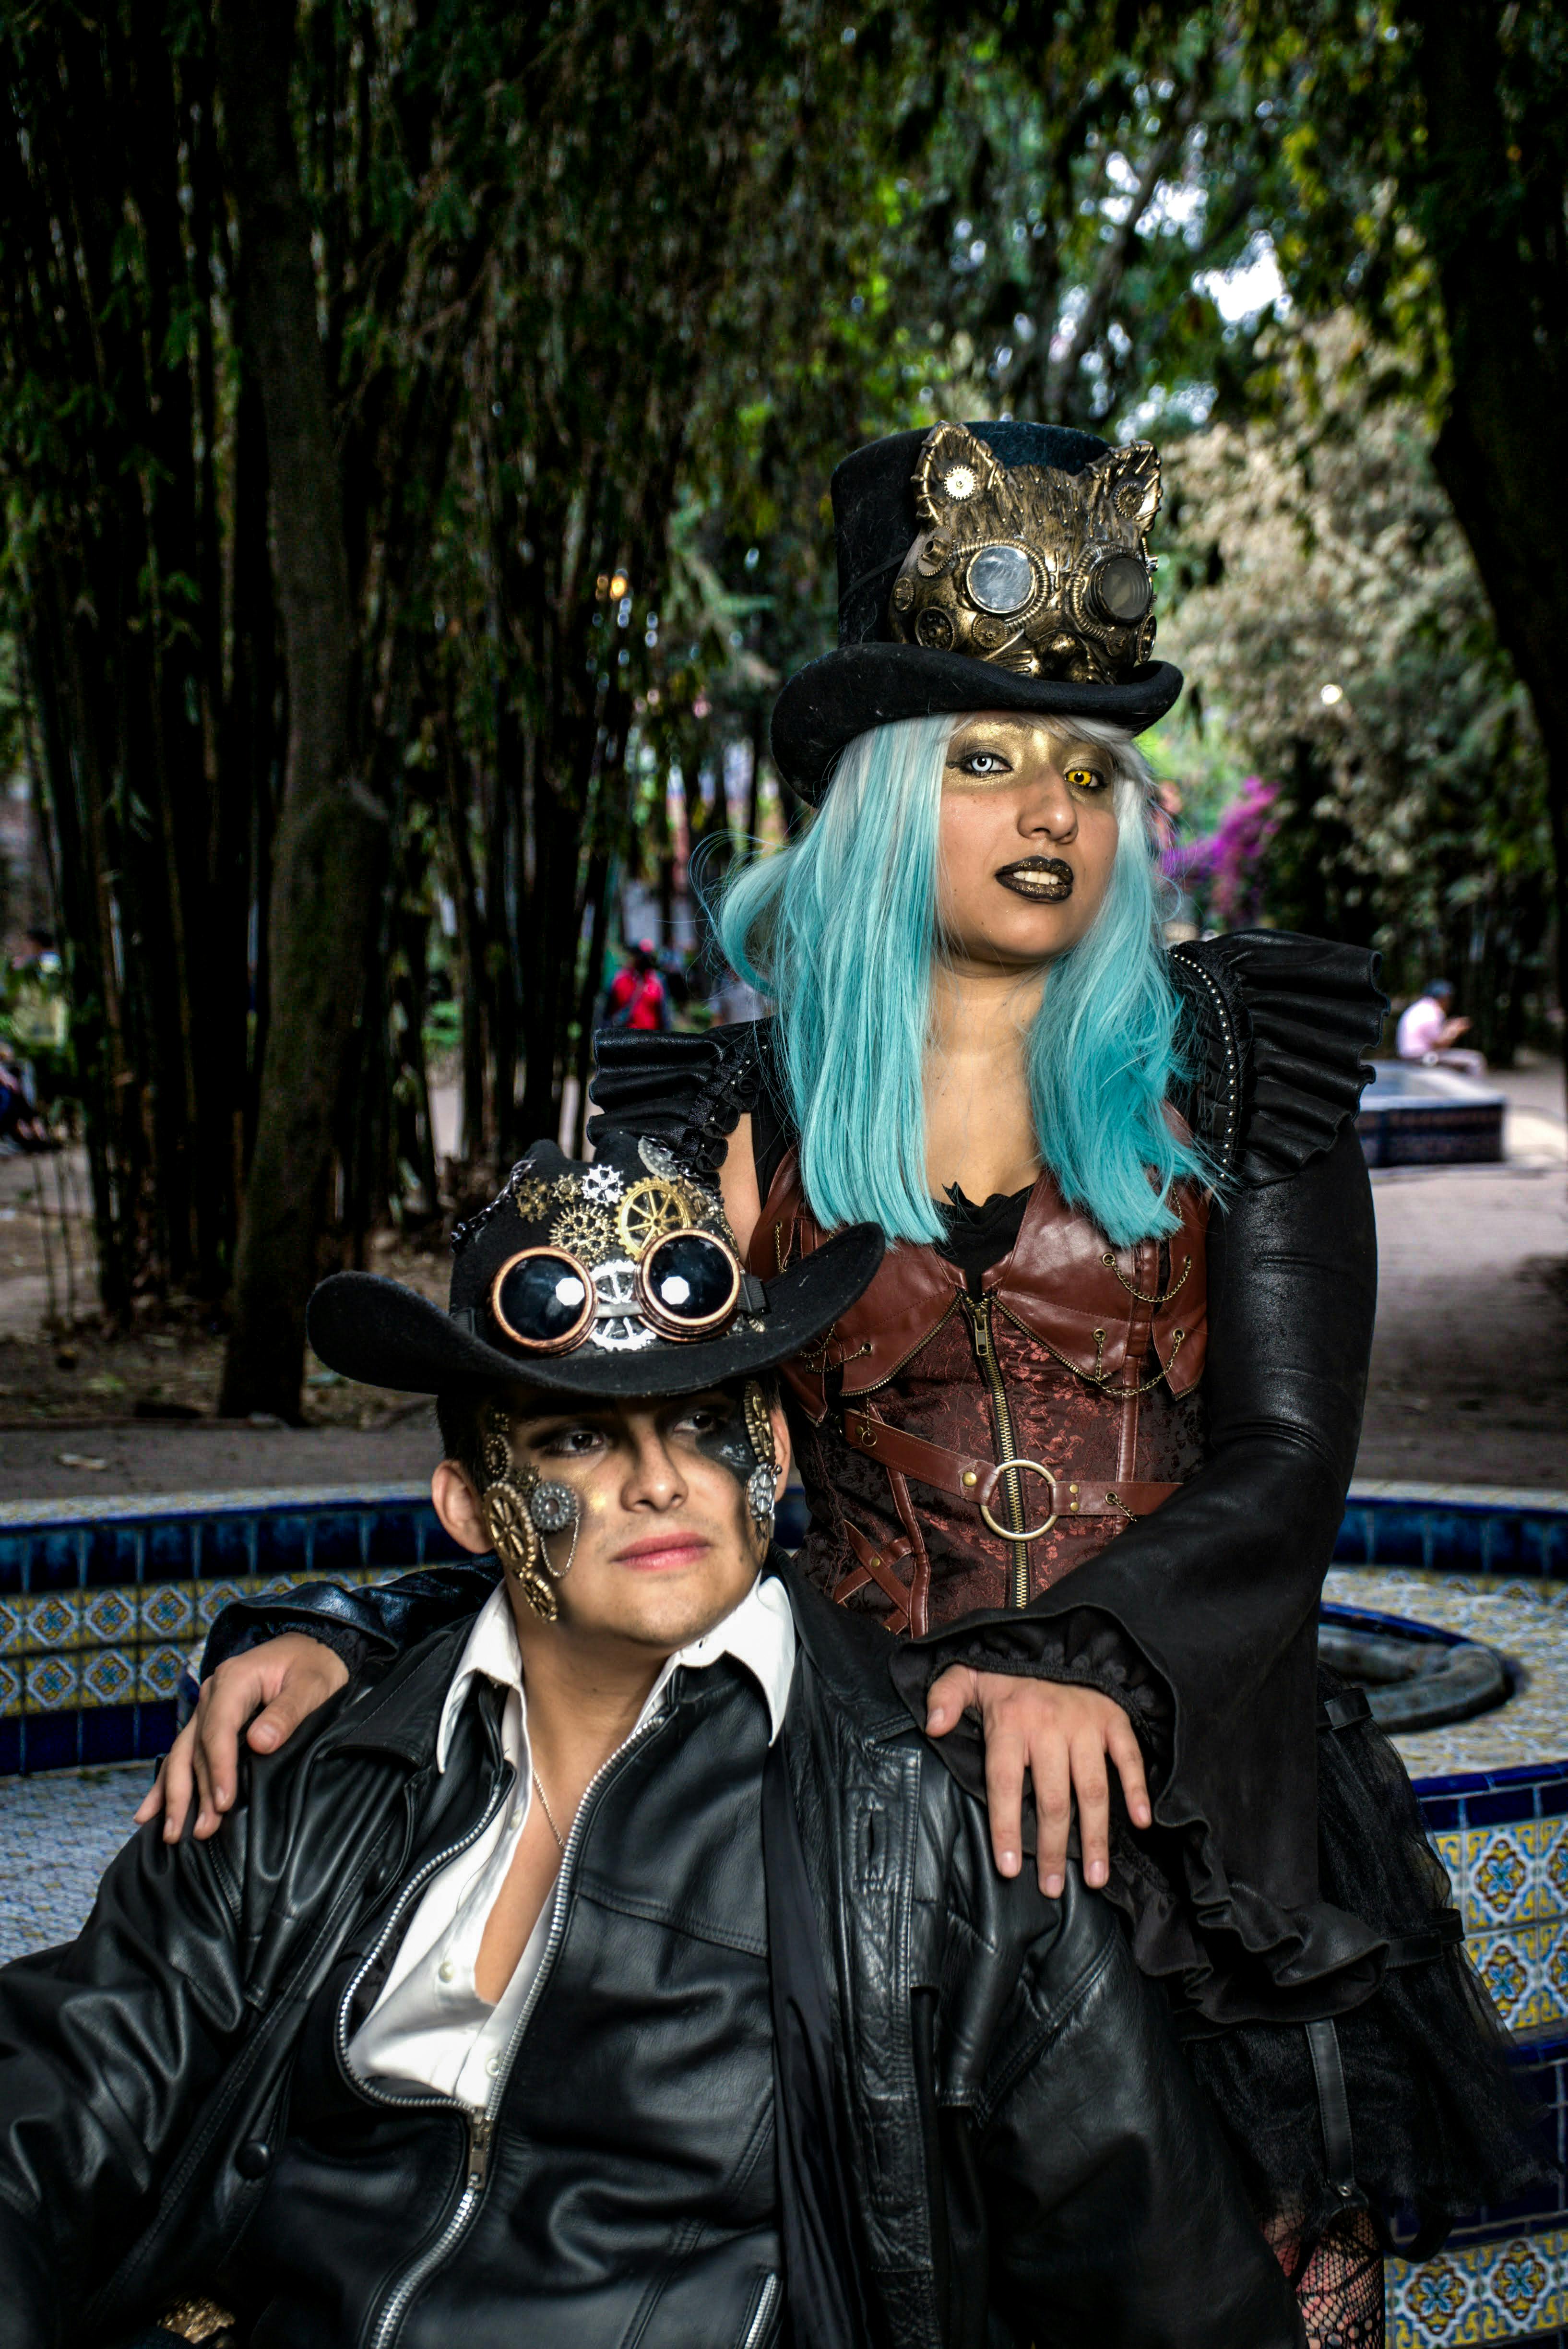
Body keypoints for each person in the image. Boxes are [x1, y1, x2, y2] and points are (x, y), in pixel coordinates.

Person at [148, 419, 1539, 2347]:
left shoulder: (1238, 1055)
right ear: (887, 794)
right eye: (984, 759)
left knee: (1269, 2298)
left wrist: (1086, 1656)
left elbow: (1292, 1462)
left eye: (1085, 765)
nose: (1049, 806)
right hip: (880, 1823)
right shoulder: (731, 1105)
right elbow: (626, 1464)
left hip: (1209, 1803)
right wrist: (351, 1635)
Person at [0, 1130, 1302, 2349]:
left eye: (699, 1418)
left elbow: (1172, 2290)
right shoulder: (313, 1760)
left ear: (773, 1450)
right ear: (466, 1501)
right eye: (576, 1434)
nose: (659, 1477)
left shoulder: (926, 1824)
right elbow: (66, 2096)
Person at [1395, 978, 1487, 1076]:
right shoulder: (1433, 1011)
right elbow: (1439, 1044)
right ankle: (1474, 1092)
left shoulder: (1420, 1008)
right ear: (1444, 998)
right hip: (1421, 1058)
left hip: (1410, 1056)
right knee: (1475, 1061)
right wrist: (1454, 1031)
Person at [605, 938, 670, 1032]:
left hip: (650, 1040)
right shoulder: (618, 980)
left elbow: (664, 1016)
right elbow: (607, 1014)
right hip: (623, 1040)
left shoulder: (658, 982)